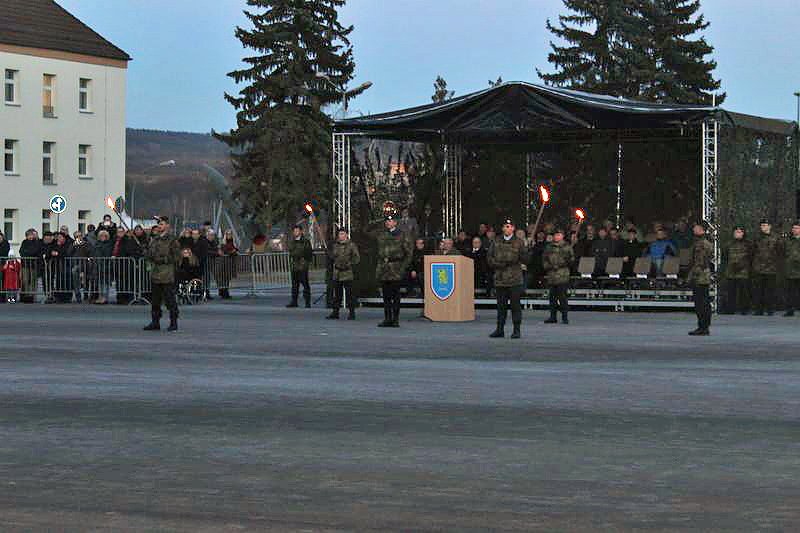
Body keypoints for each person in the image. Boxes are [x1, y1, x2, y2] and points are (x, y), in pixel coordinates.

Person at [487, 218, 530, 339]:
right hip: (500, 279)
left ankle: (517, 330)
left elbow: (526, 260)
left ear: (513, 228)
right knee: (501, 307)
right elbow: (489, 257)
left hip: (514, 279)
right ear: (502, 228)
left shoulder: (519, 242)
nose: (508, 228)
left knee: (515, 306)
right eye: (506, 226)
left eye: (510, 226)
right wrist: (498, 264)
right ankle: (499, 329)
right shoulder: (496, 241)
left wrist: (526, 252)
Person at [375, 208, 412, 327]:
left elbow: (408, 253)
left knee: (395, 295)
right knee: (386, 296)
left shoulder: (402, 234)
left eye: (390, 221)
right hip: (384, 268)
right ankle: (387, 318)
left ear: (395, 222)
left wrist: (403, 267)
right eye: (386, 221)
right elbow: (367, 231)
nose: (388, 223)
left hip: (396, 268)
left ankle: (395, 319)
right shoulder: (382, 234)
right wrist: (377, 221)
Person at [144, 216, 181, 332]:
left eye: (162, 224)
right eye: (159, 224)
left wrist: (163, 260)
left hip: (166, 274)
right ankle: (155, 322)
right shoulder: (154, 239)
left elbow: (177, 256)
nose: (160, 226)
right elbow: (150, 254)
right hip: (155, 274)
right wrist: (146, 252)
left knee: (170, 300)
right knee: (155, 301)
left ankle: (173, 322)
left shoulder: (172, 240)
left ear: (167, 226)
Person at [327, 227, 360, 320]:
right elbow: (333, 256)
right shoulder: (335, 245)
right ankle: (335, 312)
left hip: (347, 272)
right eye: (339, 234)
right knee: (337, 294)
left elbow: (356, 258)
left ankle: (352, 312)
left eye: (342, 234)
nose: (340, 236)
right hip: (337, 273)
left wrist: (350, 263)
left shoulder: (351, 245)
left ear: (346, 235)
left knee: (350, 294)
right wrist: (330, 254)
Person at [543, 228, 574, 325]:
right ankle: (553, 316)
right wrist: (549, 266)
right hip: (552, 275)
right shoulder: (549, 247)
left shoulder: (567, 247)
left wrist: (561, 264)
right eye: (555, 235)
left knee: (562, 297)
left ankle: (565, 316)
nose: (557, 237)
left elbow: (572, 260)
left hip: (562, 275)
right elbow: (544, 259)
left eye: (559, 235)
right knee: (552, 297)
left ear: (562, 236)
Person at [751, 218, 782, 316]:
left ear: (769, 226)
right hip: (758, 267)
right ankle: (758, 309)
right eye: (762, 225)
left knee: (770, 290)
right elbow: (752, 251)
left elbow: (780, 251)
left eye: (765, 225)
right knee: (758, 290)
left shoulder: (776, 238)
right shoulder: (757, 238)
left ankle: (770, 309)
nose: (763, 227)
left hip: (771, 268)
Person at [688, 221, 714, 336]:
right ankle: (704, 326)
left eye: (696, 227)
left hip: (700, 276)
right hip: (703, 275)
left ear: (701, 229)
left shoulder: (702, 243)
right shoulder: (703, 242)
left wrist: (692, 276)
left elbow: (700, 262)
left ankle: (703, 326)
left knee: (701, 302)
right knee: (703, 301)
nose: (694, 229)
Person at [723, 226, 751, 315]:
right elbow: (725, 256)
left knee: (743, 291)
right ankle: (730, 309)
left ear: (743, 233)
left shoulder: (748, 244)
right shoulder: (729, 244)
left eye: (739, 232)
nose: (737, 233)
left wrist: (743, 265)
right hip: (731, 270)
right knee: (731, 291)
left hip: (743, 271)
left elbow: (751, 257)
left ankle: (744, 309)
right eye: (736, 232)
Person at [286, 224, 313, 308]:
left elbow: (307, 252)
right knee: (294, 285)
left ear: (301, 231)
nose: (295, 232)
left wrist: (301, 257)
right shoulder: (292, 241)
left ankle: (307, 302)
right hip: (294, 266)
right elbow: (291, 251)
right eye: (294, 231)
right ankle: (294, 301)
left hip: (302, 266)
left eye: (297, 231)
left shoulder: (305, 241)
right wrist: (296, 254)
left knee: (305, 285)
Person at [784, 220, 800, 317]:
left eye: (797, 228)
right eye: (794, 228)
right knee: (791, 291)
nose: (795, 230)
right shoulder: (788, 240)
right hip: (791, 270)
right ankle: (790, 310)